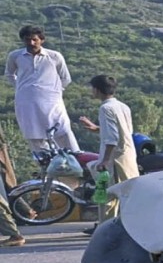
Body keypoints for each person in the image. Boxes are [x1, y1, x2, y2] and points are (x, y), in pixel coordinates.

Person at [4, 25, 79, 153]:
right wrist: (22, 88)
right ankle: (47, 168)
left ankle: (76, 163)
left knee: (62, 131)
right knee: (34, 135)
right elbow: (9, 74)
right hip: (26, 102)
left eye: (34, 40)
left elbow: (65, 78)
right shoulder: (15, 56)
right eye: (27, 40)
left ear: (42, 40)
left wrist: (53, 91)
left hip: (52, 101)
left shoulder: (54, 56)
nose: (31, 43)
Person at [77, 75, 140, 228]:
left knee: (107, 195)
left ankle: (106, 228)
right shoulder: (122, 106)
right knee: (127, 194)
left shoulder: (105, 108)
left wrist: (105, 160)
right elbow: (125, 131)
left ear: (97, 90)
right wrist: (97, 128)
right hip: (128, 156)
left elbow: (112, 138)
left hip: (115, 159)